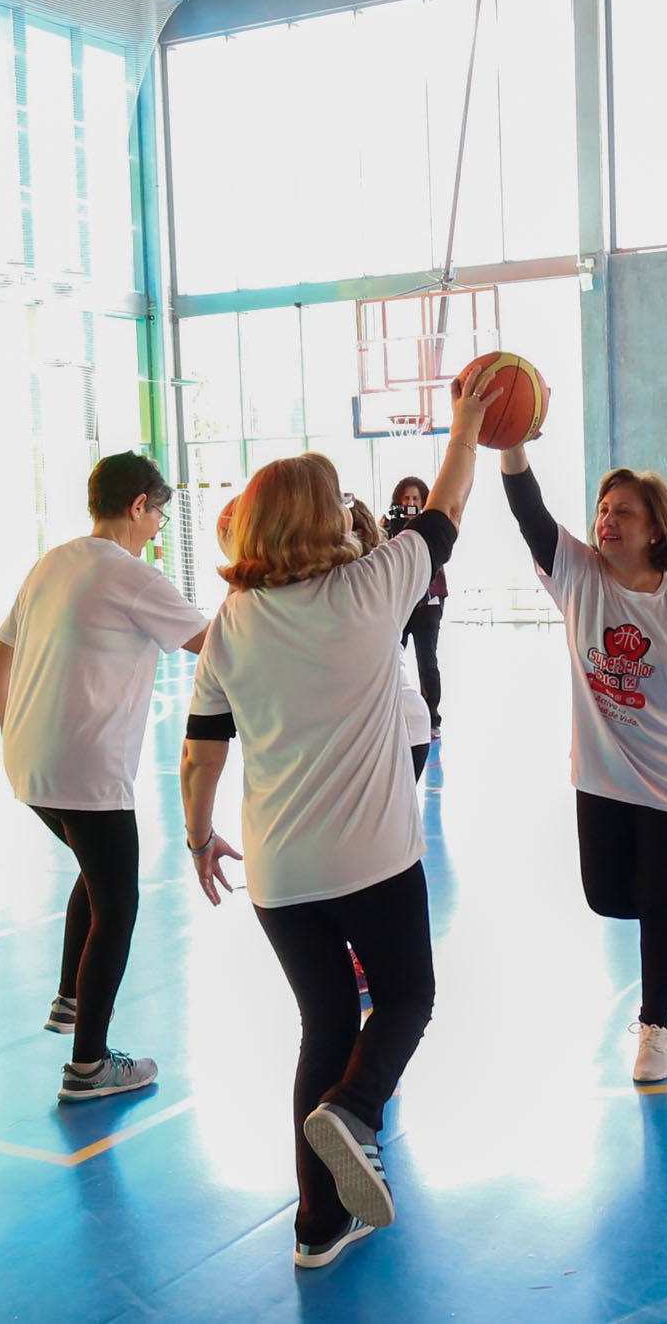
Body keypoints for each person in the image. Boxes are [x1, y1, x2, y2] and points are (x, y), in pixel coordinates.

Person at [180, 376, 489, 1270]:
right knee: (406, 997)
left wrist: (201, 839)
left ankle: (317, 1228)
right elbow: (450, 502)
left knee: (324, 1024)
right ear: (329, 519)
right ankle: (356, 1114)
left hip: (279, 874)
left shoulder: (232, 621)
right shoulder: (375, 585)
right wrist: (465, 423)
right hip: (375, 861)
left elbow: (200, 753)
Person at [500, 432, 667, 1083]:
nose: (607, 520)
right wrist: (511, 448)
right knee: (608, 895)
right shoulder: (579, 576)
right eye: (603, 508)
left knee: (652, 896)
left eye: (625, 512)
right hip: (604, 777)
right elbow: (529, 512)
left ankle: (656, 1029)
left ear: (655, 531)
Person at [0, 451, 207, 1102]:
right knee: (119, 904)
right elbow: (215, 644)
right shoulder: (131, 574)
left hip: (29, 765)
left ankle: (69, 1000)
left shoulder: (53, 561)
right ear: (138, 505)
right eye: (158, 511)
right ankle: (89, 1068)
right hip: (88, 769)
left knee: (96, 870)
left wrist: (16, 729)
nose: (160, 525)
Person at [352, 498, 435, 781]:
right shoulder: (385, 579)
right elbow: (447, 514)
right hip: (409, 723)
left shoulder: (352, 586)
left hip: (389, 726)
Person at [390, 476, 448, 737]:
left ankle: (433, 719)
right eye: (406, 498)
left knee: (427, 660)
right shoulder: (389, 524)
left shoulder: (430, 526)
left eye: (415, 499)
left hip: (428, 602)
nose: (411, 503)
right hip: (401, 602)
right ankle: (392, 712)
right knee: (391, 656)